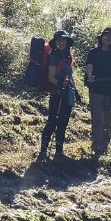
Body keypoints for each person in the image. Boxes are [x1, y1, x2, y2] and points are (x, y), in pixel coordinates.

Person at [37, 30, 76, 162]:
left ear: (67, 42)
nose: (61, 42)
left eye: (63, 40)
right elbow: (50, 78)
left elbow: (70, 76)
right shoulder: (53, 56)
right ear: (55, 42)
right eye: (59, 40)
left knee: (63, 122)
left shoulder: (68, 56)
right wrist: (60, 83)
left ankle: (59, 152)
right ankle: (43, 151)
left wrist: (75, 90)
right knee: (52, 121)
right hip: (56, 93)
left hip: (67, 93)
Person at [84, 26, 111, 159]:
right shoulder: (93, 53)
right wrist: (89, 76)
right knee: (97, 118)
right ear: (101, 38)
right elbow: (89, 68)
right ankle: (97, 145)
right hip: (97, 89)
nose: (107, 38)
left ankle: (105, 144)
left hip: (110, 90)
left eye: (110, 37)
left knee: (107, 119)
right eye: (105, 36)